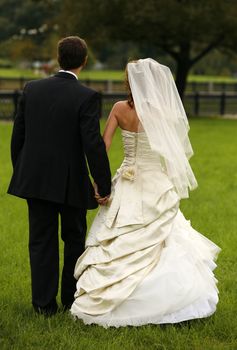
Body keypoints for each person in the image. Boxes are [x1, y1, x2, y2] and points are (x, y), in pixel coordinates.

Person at [70, 58, 220, 327]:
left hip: (128, 177)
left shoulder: (118, 108)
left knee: (115, 235)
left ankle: (111, 296)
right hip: (155, 181)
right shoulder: (162, 111)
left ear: (128, 81)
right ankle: (168, 299)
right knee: (161, 235)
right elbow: (170, 148)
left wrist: (98, 180)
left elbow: (102, 145)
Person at [8, 36, 111, 316]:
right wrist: (103, 184)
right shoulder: (87, 97)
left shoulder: (32, 89)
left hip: (35, 180)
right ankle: (71, 298)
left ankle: (43, 305)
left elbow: (18, 138)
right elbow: (93, 144)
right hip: (71, 183)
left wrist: (24, 172)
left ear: (58, 58)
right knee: (74, 239)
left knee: (41, 241)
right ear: (84, 61)